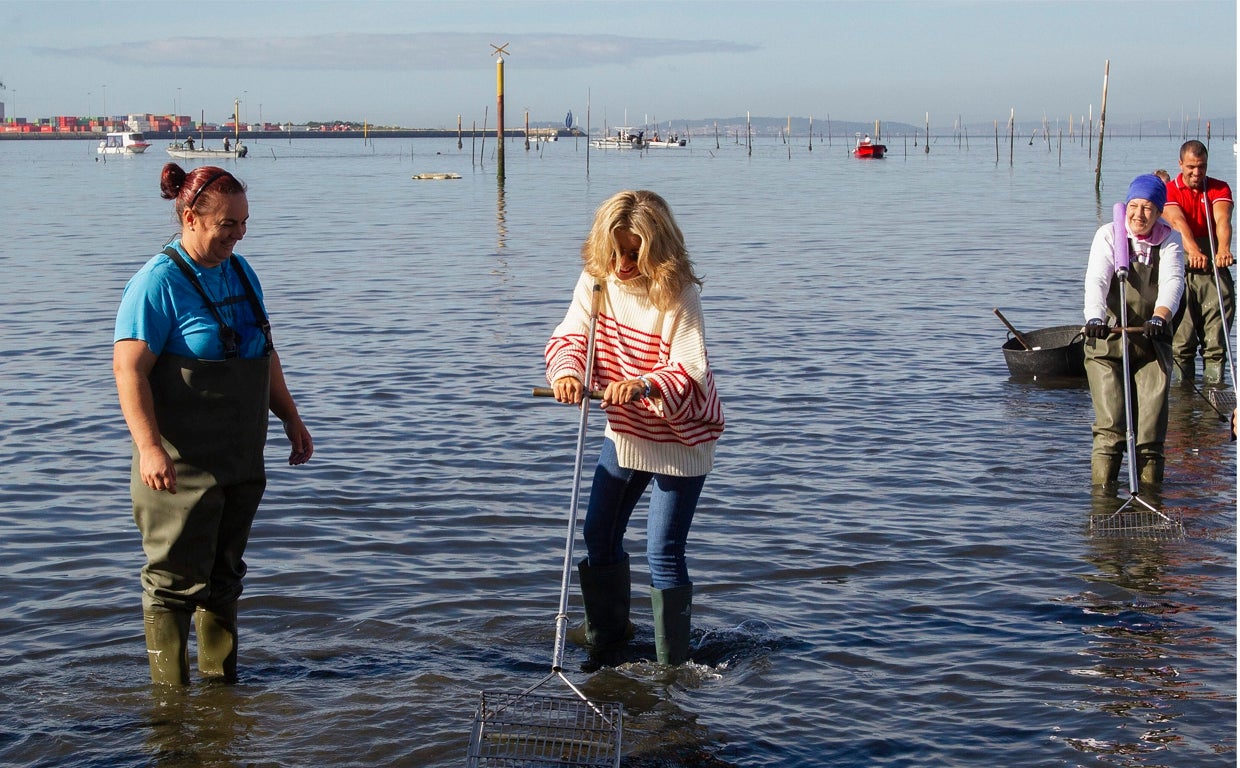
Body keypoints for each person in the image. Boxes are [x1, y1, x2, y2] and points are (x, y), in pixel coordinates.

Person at [113, 163, 314, 685]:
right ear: (190, 217)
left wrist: (291, 417)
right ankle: (170, 702)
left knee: (225, 576)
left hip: (239, 457)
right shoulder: (157, 283)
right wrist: (150, 448)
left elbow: (264, 353)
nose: (238, 234)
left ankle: (222, 690)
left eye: (244, 222)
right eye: (227, 224)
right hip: (179, 465)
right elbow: (128, 371)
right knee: (173, 581)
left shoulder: (242, 273)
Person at [545, 190, 724, 667]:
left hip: (680, 434)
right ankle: (608, 638)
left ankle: (673, 667)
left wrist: (644, 383)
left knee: (662, 549)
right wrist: (566, 372)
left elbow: (691, 371)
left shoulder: (679, 292)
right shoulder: (596, 281)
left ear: (656, 247)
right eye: (617, 250)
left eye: (634, 252)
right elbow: (571, 335)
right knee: (598, 532)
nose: (623, 263)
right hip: (625, 430)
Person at [1082, 174, 1184, 489]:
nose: (1139, 215)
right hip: (1108, 342)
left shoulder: (1170, 239)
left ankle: (1151, 499)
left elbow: (1173, 282)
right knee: (1111, 428)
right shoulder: (1108, 235)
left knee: (1150, 432)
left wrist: (1161, 317)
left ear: (1159, 212)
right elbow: (1097, 281)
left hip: (1151, 341)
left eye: (1148, 208)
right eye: (1135, 206)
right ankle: (1103, 500)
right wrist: (1095, 318)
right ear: (1127, 205)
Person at [1160, 140, 1235, 383]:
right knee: (1182, 342)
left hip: (1213, 264)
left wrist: (1223, 249)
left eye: (1201, 167)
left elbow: (1222, 219)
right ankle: (1182, 402)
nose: (1196, 173)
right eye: (1191, 167)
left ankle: (1216, 389)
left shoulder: (1219, 188)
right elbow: (1177, 223)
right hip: (1181, 261)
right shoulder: (1169, 190)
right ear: (1180, 164)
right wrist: (1192, 251)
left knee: (1216, 341)